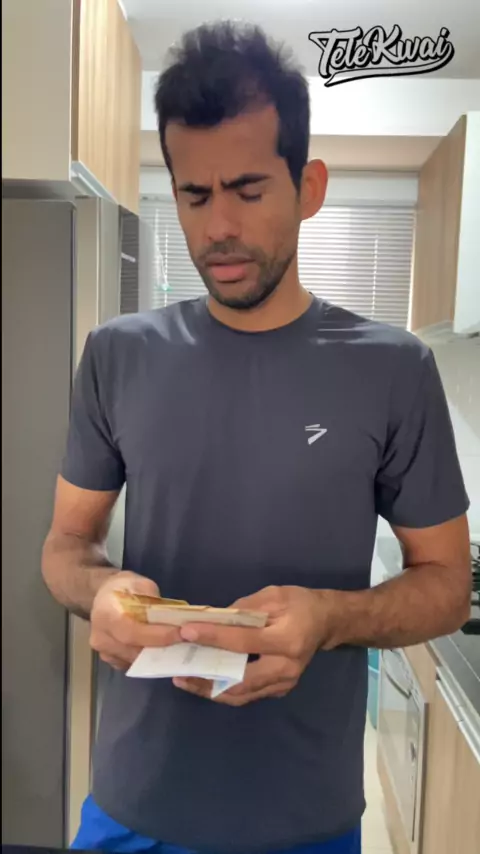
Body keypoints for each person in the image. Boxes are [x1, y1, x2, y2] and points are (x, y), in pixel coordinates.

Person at [42, 20, 472, 854]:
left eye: (247, 190)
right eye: (195, 195)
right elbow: (64, 548)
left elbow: (449, 586)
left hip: (303, 821)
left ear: (308, 186)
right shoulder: (117, 356)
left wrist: (329, 617)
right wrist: (101, 592)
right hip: (132, 809)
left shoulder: (395, 369)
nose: (218, 228)